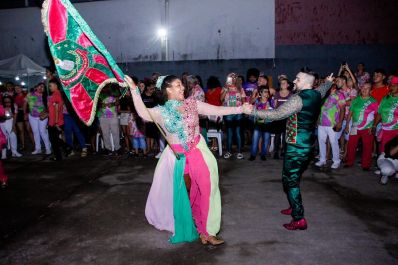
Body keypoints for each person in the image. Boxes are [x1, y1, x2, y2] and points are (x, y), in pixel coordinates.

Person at [125, 74, 252, 245]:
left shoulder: (192, 104)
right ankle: (194, 224)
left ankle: (208, 232)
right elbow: (142, 113)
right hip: (177, 158)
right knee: (187, 193)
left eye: (182, 85)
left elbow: (215, 110)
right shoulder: (161, 112)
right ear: (168, 89)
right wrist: (134, 89)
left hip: (198, 151)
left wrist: (240, 109)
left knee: (207, 187)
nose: (182, 88)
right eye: (178, 85)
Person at [250, 71, 333, 230]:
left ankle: (299, 217)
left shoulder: (297, 99)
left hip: (297, 147)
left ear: (307, 83)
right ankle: (293, 205)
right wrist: (328, 82)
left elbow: (277, 114)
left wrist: (251, 111)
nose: (294, 80)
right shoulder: (315, 93)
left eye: (298, 79)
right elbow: (322, 90)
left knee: (291, 181)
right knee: (289, 177)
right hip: (305, 143)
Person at [344, 82, 378, 170]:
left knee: (367, 147)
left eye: (367, 88)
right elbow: (350, 113)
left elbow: (377, 115)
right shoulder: (355, 100)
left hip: (367, 128)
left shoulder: (374, 101)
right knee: (351, 145)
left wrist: (373, 126)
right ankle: (349, 162)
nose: (364, 89)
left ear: (370, 91)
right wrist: (347, 125)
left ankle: (366, 165)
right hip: (355, 126)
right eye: (363, 87)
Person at [315, 76, 346, 169]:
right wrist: (317, 120)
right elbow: (318, 108)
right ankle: (322, 159)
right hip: (321, 123)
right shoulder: (322, 95)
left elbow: (343, 109)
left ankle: (336, 161)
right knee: (321, 141)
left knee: (333, 142)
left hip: (333, 123)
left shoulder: (339, 94)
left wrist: (340, 122)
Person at [221, 73, 246, 159]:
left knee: (238, 132)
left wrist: (244, 107)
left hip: (238, 112)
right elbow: (221, 99)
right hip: (228, 113)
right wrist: (225, 89)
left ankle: (239, 152)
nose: (233, 79)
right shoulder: (225, 88)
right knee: (229, 133)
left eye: (234, 78)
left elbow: (244, 100)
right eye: (231, 78)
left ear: (236, 79)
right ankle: (228, 151)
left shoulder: (240, 88)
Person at [372, 76, 398, 153]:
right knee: (384, 152)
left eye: (394, 86)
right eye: (390, 85)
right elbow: (379, 113)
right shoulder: (385, 98)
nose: (391, 87)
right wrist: (374, 125)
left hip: (396, 130)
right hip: (386, 130)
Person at [24, 83, 51, 155]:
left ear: (44, 89)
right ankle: (38, 148)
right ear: (36, 87)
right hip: (32, 116)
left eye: (42, 87)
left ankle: (48, 148)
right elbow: (25, 103)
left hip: (42, 117)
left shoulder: (46, 96)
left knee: (43, 132)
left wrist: (45, 112)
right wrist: (25, 113)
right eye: (39, 86)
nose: (41, 88)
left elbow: (49, 107)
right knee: (35, 132)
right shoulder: (30, 94)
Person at [249, 86, 273, 161]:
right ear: (261, 93)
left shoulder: (270, 101)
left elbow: (274, 111)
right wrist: (256, 96)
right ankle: (253, 155)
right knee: (255, 139)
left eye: (267, 91)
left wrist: (270, 108)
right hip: (258, 123)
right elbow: (250, 102)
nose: (267, 93)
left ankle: (263, 155)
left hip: (267, 123)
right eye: (265, 91)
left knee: (266, 140)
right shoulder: (257, 101)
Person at [272, 78, 292, 159]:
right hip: (279, 117)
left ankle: (283, 151)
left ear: (288, 85)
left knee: (285, 135)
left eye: (284, 83)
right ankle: (276, 152)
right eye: (281, 83)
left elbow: (292, 106)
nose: (282, 85)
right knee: (277, 135)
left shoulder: (291, 94)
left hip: (287, 117)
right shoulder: (277, 93)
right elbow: (275, 106)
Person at [47, 79, 66, 161]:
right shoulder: (57, 94)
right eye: (49, 86)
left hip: (55, 122)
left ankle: (63, 151)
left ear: (56, 85)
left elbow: (57, 109)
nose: (49, 87)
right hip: (55, 120)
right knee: (55, 139)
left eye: (50, 86)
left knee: (53, 140)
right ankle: (60, 155)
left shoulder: (56, 94)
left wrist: (55, 122)